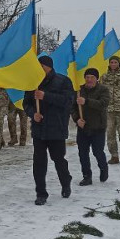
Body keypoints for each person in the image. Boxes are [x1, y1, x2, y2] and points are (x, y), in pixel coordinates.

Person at [29, 55, 74, 205]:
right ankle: (41, 193)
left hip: (57, 128)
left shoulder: (63, 81)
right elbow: (26, 103)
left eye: (41, 66)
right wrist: (32, 114)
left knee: (58, 159)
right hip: (39, 129)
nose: (38, 70)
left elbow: (67, 102)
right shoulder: (33, 82)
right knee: (39, 162)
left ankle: (65, 181)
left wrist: (45, 96)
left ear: (48, 66)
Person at [75, 68, 110, 185]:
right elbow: (72, 108)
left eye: (92, 77)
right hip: (83, 127)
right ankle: (86, 176)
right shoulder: (78, 90)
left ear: (97, 78)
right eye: (87, 77)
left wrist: (86, 101)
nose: (89, 80)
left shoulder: (103, 90)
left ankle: (103, 168)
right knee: (83, 153)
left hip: (98, 127)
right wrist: (77, 119)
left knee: (98, 152)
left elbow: (103, 104)